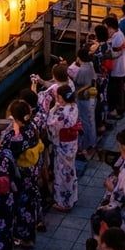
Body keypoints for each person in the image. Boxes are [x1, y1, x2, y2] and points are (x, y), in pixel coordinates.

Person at [2, 100, 42, 247]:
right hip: (32, 171)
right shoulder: (32, 126)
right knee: (29, 203)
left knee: (21, 206)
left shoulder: (15, 138)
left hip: (21, 176)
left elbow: (5, 152)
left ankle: (23, 237)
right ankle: (30, 234)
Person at [47, 84, 81, 212]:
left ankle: (64, 203)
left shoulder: (61, 112)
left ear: (62, 97)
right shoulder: (73, 106)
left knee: (62, 172)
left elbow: (50, 123)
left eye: (58, 97)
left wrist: (53, 109)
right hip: (71, 143)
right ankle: (72, 197)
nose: (57, 99)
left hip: (63, 145)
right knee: (70, 170)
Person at [71, 48, 98, 159]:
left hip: (84, 98)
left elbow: (77, 81)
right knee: (91, 121)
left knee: (85, 122)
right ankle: (92, 142)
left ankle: (86, 145)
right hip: (91, 97)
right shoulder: (90, 65)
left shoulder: (82, 70)